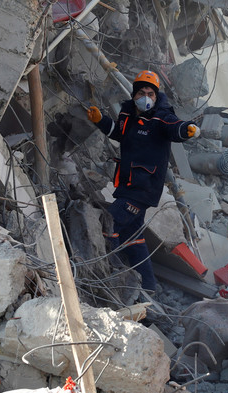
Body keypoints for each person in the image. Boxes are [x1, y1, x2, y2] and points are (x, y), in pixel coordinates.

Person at [86, 70, 199, 291]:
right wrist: (101, 121)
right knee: (132, 236)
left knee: (110, 224)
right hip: (127, 183)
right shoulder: (128, 112)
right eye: (141, 92)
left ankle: (108, 278)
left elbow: (175, 129)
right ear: (134, 94)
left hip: (144, 188)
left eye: (150, 93)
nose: (146, 97)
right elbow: (119, 133)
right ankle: (149, 286)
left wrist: (187, 130)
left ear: (156, 97)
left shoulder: (162, 116)